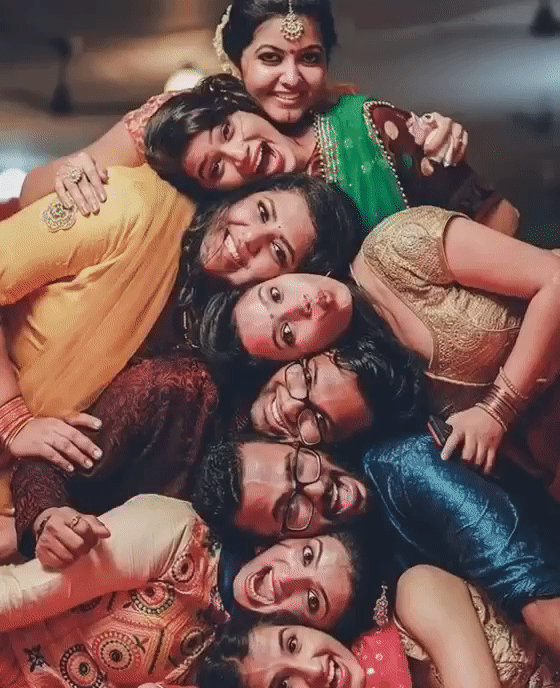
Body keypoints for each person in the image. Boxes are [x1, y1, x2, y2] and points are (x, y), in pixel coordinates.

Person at [0, 170, 361, 558]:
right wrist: (11, 418)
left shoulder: (212, 360)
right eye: (261, 210)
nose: (249, 238)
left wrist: (40, 523)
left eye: (277, 251)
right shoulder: (132, 209)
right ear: (245, 192)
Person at [211, 207, 560, 495]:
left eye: (275, 294)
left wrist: (497, 410)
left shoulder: (395, 247)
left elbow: (554, 278)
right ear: (296, 357)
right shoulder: (375, 393)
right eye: (287, 333)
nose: (301, 304)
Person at [10, 329, 417, 566]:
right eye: (305, 378)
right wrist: (47, 519)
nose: (291, 404)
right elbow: (50, 460)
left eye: (318, 420)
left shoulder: (313, 505)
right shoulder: (176, 392)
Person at [0, 494, 372, 687]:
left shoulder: (251, 667)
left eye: (312, 600)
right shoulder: (180, 533)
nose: (287, 579)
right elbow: (16, 596)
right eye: (306, 555)